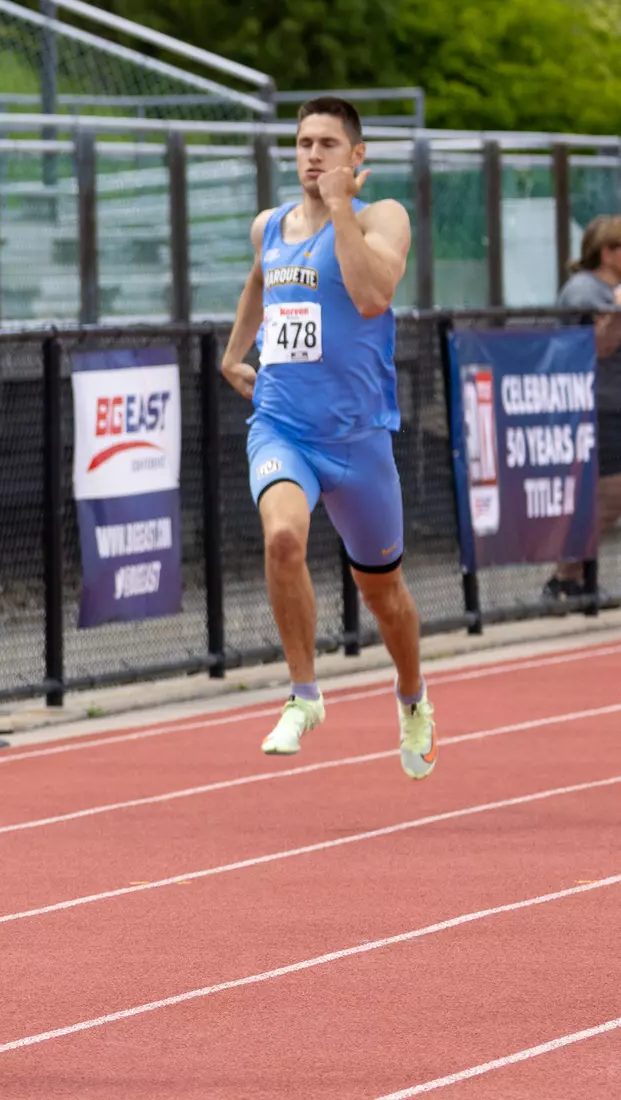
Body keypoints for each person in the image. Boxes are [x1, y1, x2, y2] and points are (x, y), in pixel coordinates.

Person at [220, 96, 436, 780]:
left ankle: (411, 698)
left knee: (383, 596)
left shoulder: (382, 217)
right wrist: (233, 353)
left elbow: (372, 295)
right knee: (282, 537)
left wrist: (341, 209)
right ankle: (303, 694)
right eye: (303, 142)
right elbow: (259, 279)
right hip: (283, 426)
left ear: (356, 156)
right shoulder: (269, 226)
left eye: (327, 144)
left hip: (358, 440)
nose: (312, 154)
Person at [544, 215, 621, 600]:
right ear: (608, 253)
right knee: (609, 492)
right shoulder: (582, 290)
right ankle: (566, 576)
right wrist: (617, 309)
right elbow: (599, 346)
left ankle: (573, 576)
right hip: (597, 407)